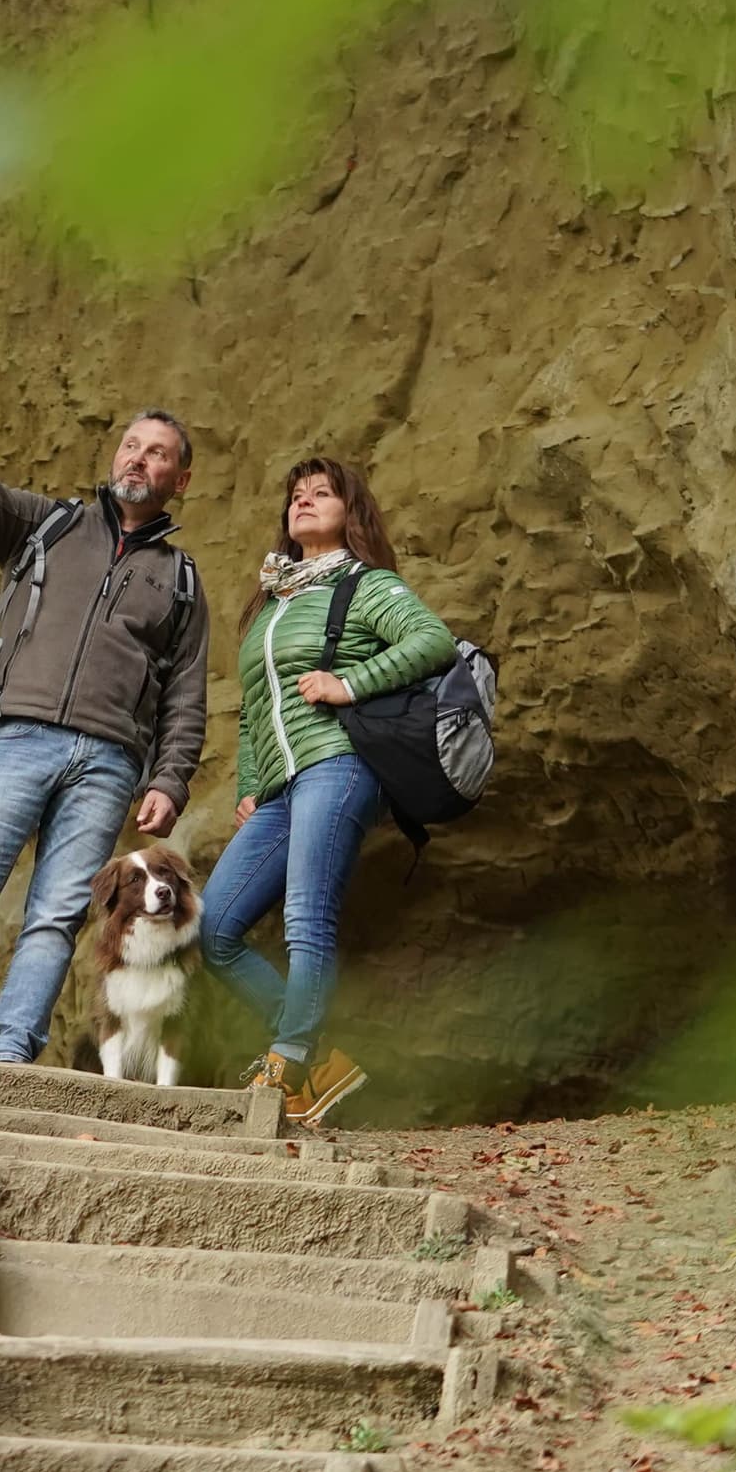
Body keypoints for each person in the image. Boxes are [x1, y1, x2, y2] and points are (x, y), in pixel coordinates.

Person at [0, 375, 211, 1066]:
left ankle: (13, 1052)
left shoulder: (181, 579)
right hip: (17, 735)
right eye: (131, 445)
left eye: (157, 454)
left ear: (178, 479)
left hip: (109, 761)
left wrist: (171, 780)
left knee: (58, 917)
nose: (137, 459)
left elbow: (185, 692)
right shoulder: (51, 525)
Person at [199, 454, 454, 1120]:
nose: (304, 503)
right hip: (281, 788)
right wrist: (251, 786)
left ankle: (289, 1060)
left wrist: (349, 683)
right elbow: (256, 710)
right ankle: (319, 1058)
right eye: (296, 497)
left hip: (340, 766)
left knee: (307, 917)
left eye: (321, 494)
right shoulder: (271, 604)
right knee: (216, 929)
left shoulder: (366, 584)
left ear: (352, 513)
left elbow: (433, 641)